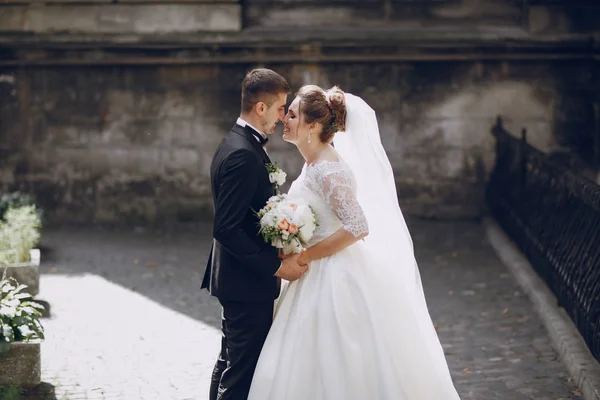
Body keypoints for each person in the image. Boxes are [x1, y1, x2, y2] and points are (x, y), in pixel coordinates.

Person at [247, 85, 462, 399]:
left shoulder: (328, 170)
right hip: (314, 273)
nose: (285, 119)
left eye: (292, 114)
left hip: (335, 276)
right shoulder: (313, 165)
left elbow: (358, 226)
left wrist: (306, 254)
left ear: (313, 126)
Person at [201, 68, 308, 400]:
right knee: (241, 374)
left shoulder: (242, 143)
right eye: (280, 108)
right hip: (246, 284)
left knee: (230, 363)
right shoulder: (241, 154)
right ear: (261, 108)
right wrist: (276, 267)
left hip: (239, 281)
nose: (281, 117)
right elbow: (226, 228)